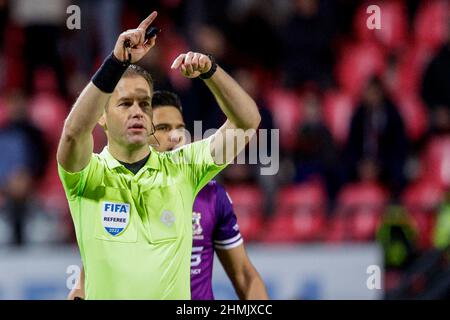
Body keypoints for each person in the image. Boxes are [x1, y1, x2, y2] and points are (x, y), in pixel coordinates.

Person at [57, 11, 261, 299]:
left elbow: (246, 122)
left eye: (144, 104)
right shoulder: (87, 176)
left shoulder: (183, 168)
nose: (138, 112)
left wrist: (210, 71)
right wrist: (115, 63)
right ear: (101, 117)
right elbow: (73, 133)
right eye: (125, 103)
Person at [68, 90, 268, 300]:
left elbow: (245, 276)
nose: (176, 136)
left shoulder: (211, 195)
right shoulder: (120, 190)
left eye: (180, 128)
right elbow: (86, 281)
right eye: (163, 128)